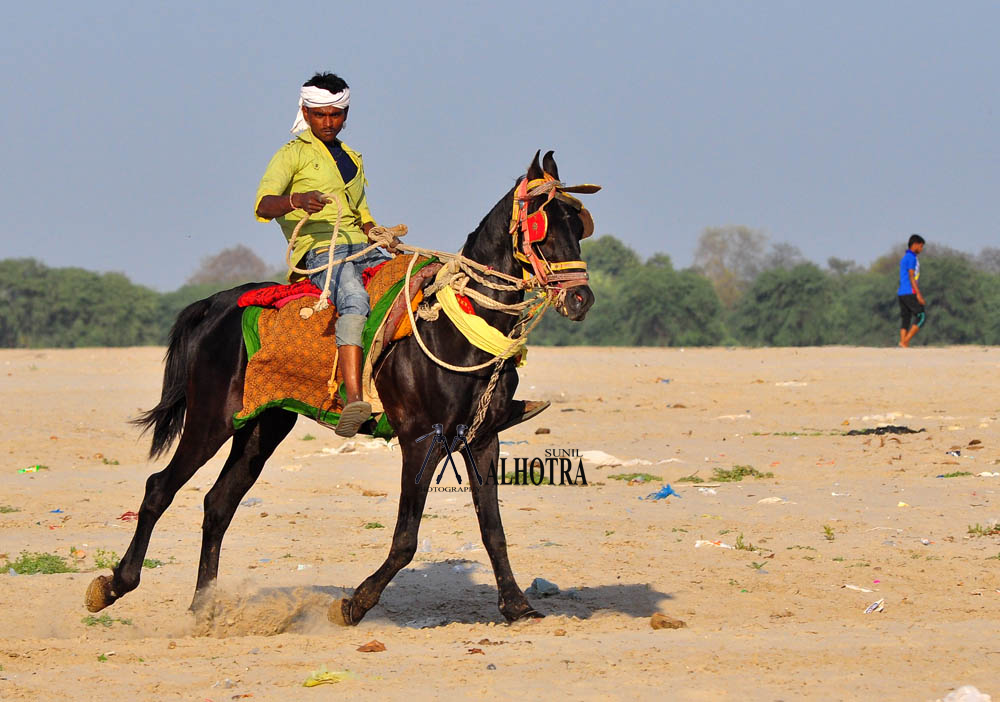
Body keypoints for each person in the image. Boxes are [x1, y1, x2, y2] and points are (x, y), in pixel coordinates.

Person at [255, 72, 392, 437]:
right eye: (320, 115)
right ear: (305, 111)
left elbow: (361, 212)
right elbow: (264, 204)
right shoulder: (291, 155)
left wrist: (375, 232)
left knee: (410, 284)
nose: (328, 122)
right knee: (354, 298)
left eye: (336, 114)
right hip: (319, 249)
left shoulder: (352, 157)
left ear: (346, 114)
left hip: (362, 246)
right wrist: (297, 201)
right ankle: (352, 401)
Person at [897, 234, 926, 348]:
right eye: (921, 246)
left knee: (906, 319)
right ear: (915, 245)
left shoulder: (905, 257)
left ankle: (903, 343)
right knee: (921, 316)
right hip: (910, 292)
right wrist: (918, 294)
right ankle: (905, 341)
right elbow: (911, 276)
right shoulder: (912, 258)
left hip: (901, 293)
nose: (921, 249)